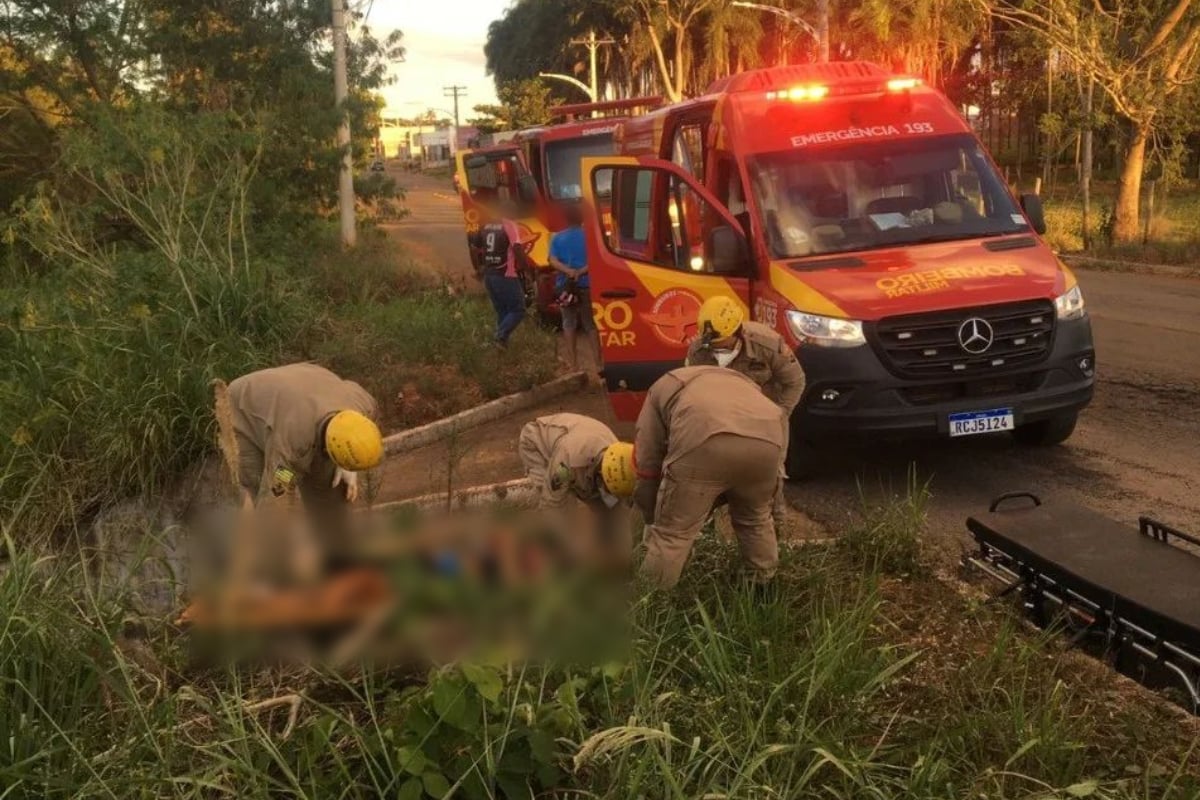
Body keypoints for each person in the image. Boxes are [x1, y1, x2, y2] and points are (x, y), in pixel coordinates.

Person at [632, 366, 786, 589]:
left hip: (705, 436)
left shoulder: (661, 387)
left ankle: (650, 604)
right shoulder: (746, 384)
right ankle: (762, 586)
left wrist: (651, 515)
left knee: (673, 534)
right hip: (767, 440)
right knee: (755, 519)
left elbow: (648, 460)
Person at [685, 295, 805, 528]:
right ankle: (709, 543)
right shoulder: (698, 351)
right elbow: (690, 388)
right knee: (708, 483)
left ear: (735, 332)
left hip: (765, 420)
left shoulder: (767, 344)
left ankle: (776, 538)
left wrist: (779, 414)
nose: (713, 347)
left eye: (720, 341)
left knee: (769, 484)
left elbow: (795, 382)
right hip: (720, 423)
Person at [227, 362, 384, 537]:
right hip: (244, 405)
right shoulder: (293, 445)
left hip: (300, 388)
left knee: (330, 489)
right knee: (262, 496)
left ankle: (338, 554)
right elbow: (278, 489)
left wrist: (347, 466)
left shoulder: (363, 404)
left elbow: (369, 422)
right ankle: (266, 555)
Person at [518, 413, 636, 566]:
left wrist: (625, 559)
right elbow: (552, 506)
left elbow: (619, 510)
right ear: (600, 475)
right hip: (536, 443)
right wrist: (575, 553)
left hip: (581, 445)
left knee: (610, 507)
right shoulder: (565, 464)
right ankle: (562, 561)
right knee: (563, 506)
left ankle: (607, 549)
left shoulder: (622, 458)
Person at [548, 203, 599, 373]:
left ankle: (574, 365)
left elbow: (552, 260)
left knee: (568, 324)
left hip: (565, 288)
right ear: (582, 217)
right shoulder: (590, 236)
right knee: (590, 325)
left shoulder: (557, 238)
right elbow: (596, 259)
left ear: (566, 219)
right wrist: (580, 271)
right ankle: (599, 364)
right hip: (587, 284)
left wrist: (568, 271)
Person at [471, 207, 530, 348]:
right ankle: (498, 337)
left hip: (489, 275)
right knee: (518, 309)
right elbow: (517, 248)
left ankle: (502, 346)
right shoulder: (509, 225)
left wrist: (479, 267)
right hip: (506, 274)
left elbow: (474, 247)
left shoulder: (485, 226)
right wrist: (526, 269)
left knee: (502, 310)